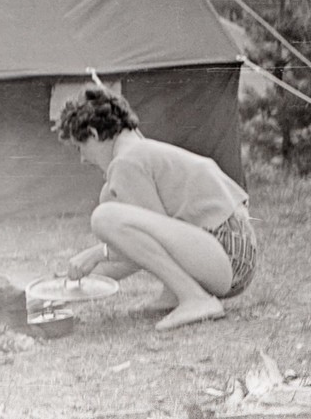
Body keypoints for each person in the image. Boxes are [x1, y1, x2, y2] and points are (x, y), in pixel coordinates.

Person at [54, 86, 257, 331]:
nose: (83, 159)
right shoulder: (138, 150)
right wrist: (71, 285)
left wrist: (96, 254)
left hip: (225, 256)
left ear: (94, 134)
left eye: (80, 147)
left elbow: (148, 239)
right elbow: (141, 247)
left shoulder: (127, 161)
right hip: (234, 257)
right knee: (109, 199)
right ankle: (176, 292)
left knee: (104, 217)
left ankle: (195, 298)